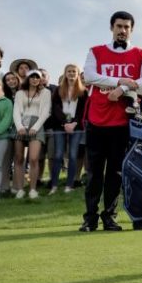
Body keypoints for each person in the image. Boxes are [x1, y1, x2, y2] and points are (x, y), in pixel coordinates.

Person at [80, 11, 142, 231]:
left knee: (115, 172)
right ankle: (90, 218)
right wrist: (121, 80)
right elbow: (90, 76)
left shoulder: (141, 54)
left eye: (126, 27)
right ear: (112, 27)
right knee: (94, 173)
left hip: (122, 122)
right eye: (119, 26)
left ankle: (109, 216)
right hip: (96, 120)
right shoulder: (96, 51)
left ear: (131, 29)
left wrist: (122, 89)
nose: (122, 30)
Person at [12, 70, 51, 199]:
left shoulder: (46, 92)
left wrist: (35, 127)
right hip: (21, 125)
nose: (35, 79)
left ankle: (33, 189)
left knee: (34, 159)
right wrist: (19, 127)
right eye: (32, 77)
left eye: (37, 77)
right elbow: (16, 110)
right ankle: (20, 189)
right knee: (18, 158)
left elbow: (46, 112)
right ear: (28, 79)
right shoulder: (19, 93)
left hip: (37, 125)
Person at [50, 64, 88, 193]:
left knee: (72, 155)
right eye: (69, 71)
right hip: (60, 126)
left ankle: (69, 185)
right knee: (58, 154)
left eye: (74, 71)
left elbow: (83, 111)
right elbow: (55, 108)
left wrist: (74, 123)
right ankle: (54, 185)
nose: (71, 73)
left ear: (77, 74)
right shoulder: (58, 90)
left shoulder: (83, 91)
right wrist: (64, 123)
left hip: (76, 127)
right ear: (65, 73)